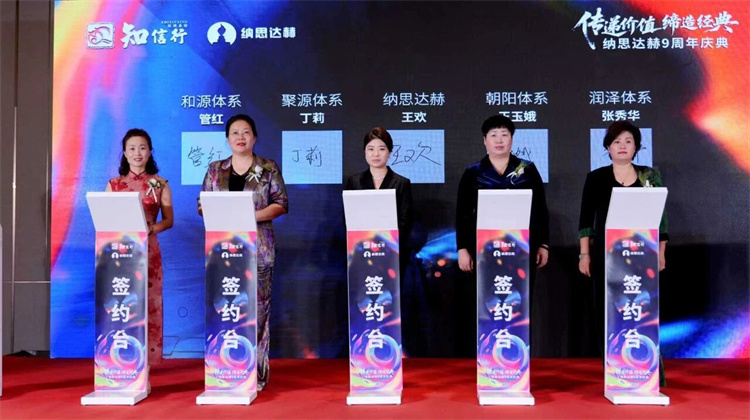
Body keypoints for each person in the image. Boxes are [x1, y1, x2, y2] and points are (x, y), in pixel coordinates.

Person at [199, 114, 288, 390]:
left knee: (257, 310)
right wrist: (216, 212)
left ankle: (255, 373)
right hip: (223, 252)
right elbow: (202, 204)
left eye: (246, 132)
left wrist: (249, 216)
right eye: (235, 132)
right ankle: (226, 369)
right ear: (227, 139)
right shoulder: (215, 169)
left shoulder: (268, 168)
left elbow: (281, 203)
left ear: (255, 137)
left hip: (258, 250)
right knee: (226, 310)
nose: (240, 137)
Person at [578, 120, 668, 386]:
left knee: (641, 309)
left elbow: (661, 220)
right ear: (607, 147)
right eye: (616, 141)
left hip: (642, 254)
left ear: (637, 147)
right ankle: (616, 370)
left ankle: (644, 370)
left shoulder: (649, 176)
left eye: (628, 141)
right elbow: (586, 220)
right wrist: (585, 254)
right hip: (606, 256)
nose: (622, 146)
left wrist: (661, 252)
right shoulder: (596, 178)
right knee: (608, 310)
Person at [454, 115, 549, 355]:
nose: (499, 140)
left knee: (519, 301)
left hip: (521, 249)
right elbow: (462, 213)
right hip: (484, 251)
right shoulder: (474, 172)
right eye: (493, 135)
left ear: (512, 140)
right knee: (489, 302)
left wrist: (543, 245)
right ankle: (490, 357)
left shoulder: (526, 169)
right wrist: (462, 248)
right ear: (484, 140)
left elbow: (540, 210)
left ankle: (516, 356)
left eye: (504, 135)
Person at [106, 128, 174, 365]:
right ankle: (121, 363)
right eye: (132, 148)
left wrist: (152, 228)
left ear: (150, 152)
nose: (137, 153)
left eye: (142, 148)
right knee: (122, 303)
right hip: (119, 252)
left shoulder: (160, 183)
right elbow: (106, 220)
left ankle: (146, 365)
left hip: (148, 250)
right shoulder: (113, 185)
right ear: (124, 153)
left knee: (148, 302)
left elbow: (169, 220)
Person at [344, 127, 413, 265]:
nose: (376, 154)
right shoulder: (354, 181)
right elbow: (348, 217)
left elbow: (405, 220)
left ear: (390, 152)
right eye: (370, 149)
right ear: (364, 151)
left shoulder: (401, 183)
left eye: (382, 149)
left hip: (392, 251)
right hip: (361, 249)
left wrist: (386, 241)